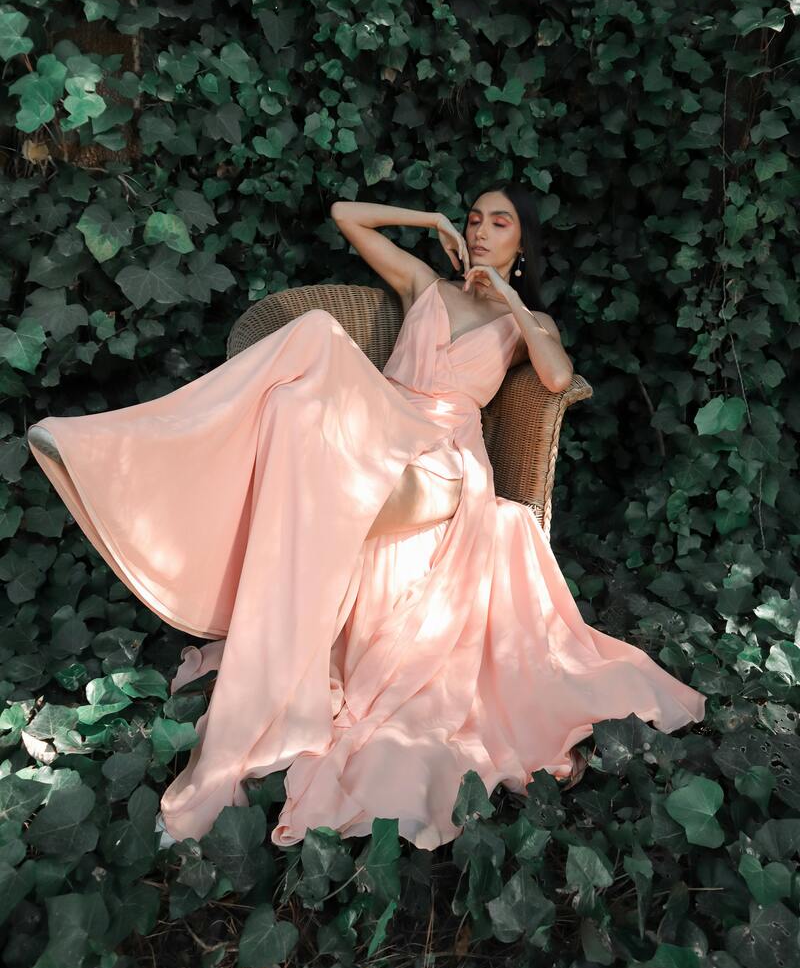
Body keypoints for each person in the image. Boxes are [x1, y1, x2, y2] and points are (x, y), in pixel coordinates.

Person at [27, 182, 706, 851]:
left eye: (499, 223)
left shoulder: (529, 323)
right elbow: (345, 215)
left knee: (313, 379)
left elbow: (556, 378)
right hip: (376, 426)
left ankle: (158, 474)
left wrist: (508, 296)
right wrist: (429, 218)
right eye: (474, 218)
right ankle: (144, 456)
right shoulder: (424, 285)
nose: (479, 230)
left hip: (441, 455)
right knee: (301, 378)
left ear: (523, 242)